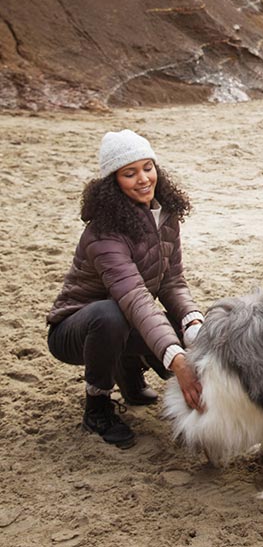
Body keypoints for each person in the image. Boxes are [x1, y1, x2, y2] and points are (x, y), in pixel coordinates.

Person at [47, 130, 204, 449]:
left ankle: (129, 373)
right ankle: (97, 407)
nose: (144, 179)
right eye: (129, 173)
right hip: (76, 330)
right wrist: (177, 360)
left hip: (126, 317)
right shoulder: (103, 233)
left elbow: (172, 281)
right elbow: (134, 297)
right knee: (112, 315)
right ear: (112, 183)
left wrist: (193, 323)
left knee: (190, 329)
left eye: (148, 167)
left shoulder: (165, 214)